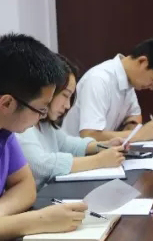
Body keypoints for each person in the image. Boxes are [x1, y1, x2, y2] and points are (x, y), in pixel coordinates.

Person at [0, 33, 88, 241]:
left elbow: (25, 185)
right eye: (41, 109)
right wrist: (38, 221)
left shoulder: (2, 126)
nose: (42, 117)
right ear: (7, 104)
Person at [18, 55, 126, 189]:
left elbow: (67, 144)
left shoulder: (44, 124)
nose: (68, 105)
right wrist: (98, 161)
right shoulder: (22, 124)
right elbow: (41, 165)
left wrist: (104, 145)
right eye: (65, 95)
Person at [61, 37, 153, 144]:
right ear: (142, 62)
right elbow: (89, 135)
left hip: (104, 153)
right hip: (77, 157)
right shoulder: (99, 80)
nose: (152, 87)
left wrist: (131, 128)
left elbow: (134, 117)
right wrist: (137, 135)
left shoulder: (129, 81)